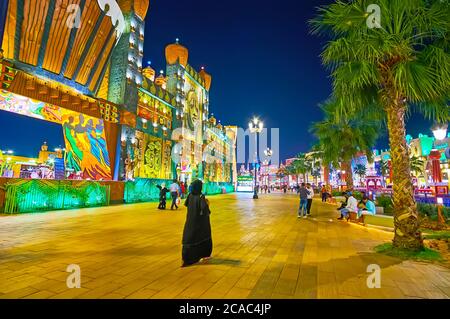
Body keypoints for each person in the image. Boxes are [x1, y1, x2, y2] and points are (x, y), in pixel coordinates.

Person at [182, 179, 212, 267]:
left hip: (190, 220)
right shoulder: (200, 196)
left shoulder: (190, 195)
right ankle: (203, 254)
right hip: (199, 221)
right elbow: (205, 209)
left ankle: (188, 258)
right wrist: (207, 204)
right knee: (202, 235)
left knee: (190, 236)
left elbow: (186, 204)